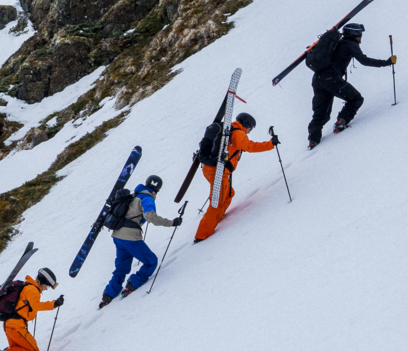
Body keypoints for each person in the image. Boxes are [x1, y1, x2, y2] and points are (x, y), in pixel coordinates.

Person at [306, 21, 396, 148]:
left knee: (321, 114)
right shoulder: (350, 44)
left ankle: (313, 141)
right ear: (354, 34)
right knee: (356, 99)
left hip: (318, 78)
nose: (361, 37)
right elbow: (364, 61)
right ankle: (341, 123)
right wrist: (386, 62)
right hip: (332, 78)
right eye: (359, 34)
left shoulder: (337, 42)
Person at [193, 112, 277, 242]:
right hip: (218, 172)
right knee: (216, 203)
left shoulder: (229, 129)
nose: (249, 132)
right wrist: (270, 144)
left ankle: (217, 217)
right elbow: (250, 146)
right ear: (246, 124)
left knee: (228, 194)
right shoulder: (238, 133)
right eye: (250, 128)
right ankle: (202, 235)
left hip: (212, 169)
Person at [99, 176, 181, 306]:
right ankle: (133, 283)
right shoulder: (147, 198)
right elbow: (150, 217)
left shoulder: (133, 195)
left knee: (122, 267)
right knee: (151, 261)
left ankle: (108, 295)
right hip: (130, 237)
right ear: (158, 189)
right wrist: (171, 223)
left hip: (118, 236)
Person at [0, 266, 61, 351]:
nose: (46, 289)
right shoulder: (32, 290)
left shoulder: (27, 287)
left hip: (10, 326)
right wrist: (54, 304)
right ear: (43, 281)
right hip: (16, 326)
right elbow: (36, 306)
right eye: (47, 286)